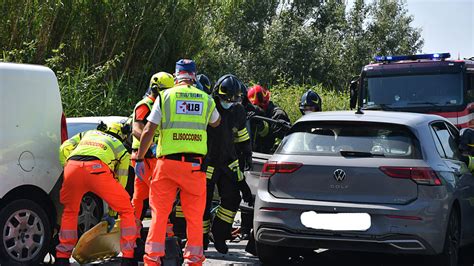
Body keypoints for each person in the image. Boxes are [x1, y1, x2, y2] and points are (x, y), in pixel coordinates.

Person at [134, 59, 220, 265]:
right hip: (194, 168)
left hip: (167, 166)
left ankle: (152, 260)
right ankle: (194, 260)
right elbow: (216, 122)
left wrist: (139, 157)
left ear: (176, 75)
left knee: (159, 215)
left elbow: (147, 130)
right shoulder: (205, 99)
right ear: (194, 76)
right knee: (194, 218)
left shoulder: (165, 97)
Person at [55, 122, 136, 266]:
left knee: (70, 212)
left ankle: (62, 257)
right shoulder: (120, 147)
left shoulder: (87, 134)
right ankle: (128, 258)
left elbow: (64, 147)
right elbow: (121, 180)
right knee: (126, 210)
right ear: (122, 134)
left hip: (72, 167)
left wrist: (66, 165)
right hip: (97, 170)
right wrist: (112, 213)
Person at [202, 74, 253, 254]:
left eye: (232, 99)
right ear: (217, 94)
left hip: (228, 162)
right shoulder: (208, 105)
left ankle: (220, 233)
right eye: (225, 99)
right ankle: (200, 239)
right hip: (207, 162)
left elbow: (241, 134)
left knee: (233, 199)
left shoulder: (238, 111)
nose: (228, 102)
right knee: (203, 202)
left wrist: (247, 153)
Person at [131, 72, 174, 221]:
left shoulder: (162, 105)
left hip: (153, 157)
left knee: (153, 196)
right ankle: (136, 233)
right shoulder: (145, 105)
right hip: (145, 157)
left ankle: (158, 234)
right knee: (148, 196)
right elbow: (137, 129)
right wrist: (151, 145)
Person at [247, 84, 290, 154]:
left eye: (260, 106)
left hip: (271, 156)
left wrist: (261, 125)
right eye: (255, 106)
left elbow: (283, 138)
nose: (258, 108)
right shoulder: (251, 113)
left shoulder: (278, 114)